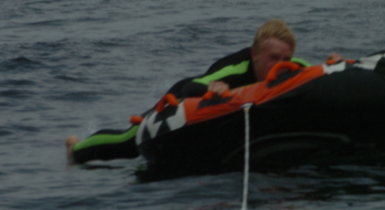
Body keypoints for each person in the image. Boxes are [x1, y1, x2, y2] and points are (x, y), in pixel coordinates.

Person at [66, 19, 340, 164]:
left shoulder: (291, 68)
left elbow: (319, 73)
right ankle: (76, 149)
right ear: (255, 55)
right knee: (129, 141)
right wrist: (212, 88)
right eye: (273, 58)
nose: (280, 64)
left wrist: (336, 65)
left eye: (285, 58)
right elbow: (192, 86)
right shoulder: (234, 69)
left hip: (238, 112)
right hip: (187, 96)